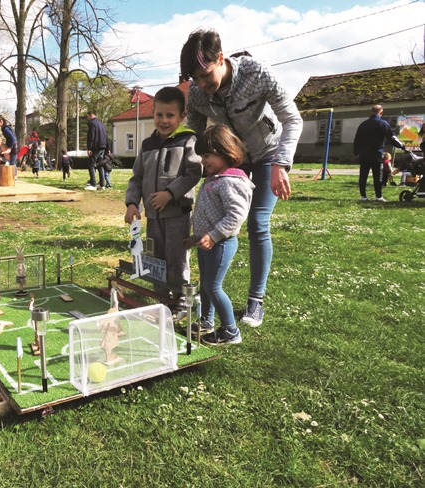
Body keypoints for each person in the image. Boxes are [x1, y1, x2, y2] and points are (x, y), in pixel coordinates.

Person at [180, 28, 303, 327]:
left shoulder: (257, 73)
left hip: (268, 155)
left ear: (221, 58)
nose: (202, 84)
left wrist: (281, 164)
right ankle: (208, 306)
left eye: (206, 76)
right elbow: (195, 135)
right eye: (195, 79)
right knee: (211, 223)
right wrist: (194, 167)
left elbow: (292, 119)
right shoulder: (197, 92)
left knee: (257, 223)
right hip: (232, 158)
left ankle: (255, 300)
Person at [124, 86, 203, 310]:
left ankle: (181, 299)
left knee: (176, 257)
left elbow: (193, 173)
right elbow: (137, 177)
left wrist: (170, 193)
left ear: (181, 117)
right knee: (155, 257)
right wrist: (132, 203)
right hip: (153, 216)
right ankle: (162, 298)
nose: (164, 120)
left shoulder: (188, 140)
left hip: (177, 214)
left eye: (170, 115)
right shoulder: (147, 145)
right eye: (159, 115)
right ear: (153, 114)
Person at [183, 125, 254, 345]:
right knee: (205, 284)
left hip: (221, 244)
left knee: (213, 287)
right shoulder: (215, 178)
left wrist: (214, 236)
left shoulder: (232, 181)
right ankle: (206, 321)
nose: (203, 161)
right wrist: (198, 237)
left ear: (226, 152)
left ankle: (231, 331)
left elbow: (236, 216)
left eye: (207, 156)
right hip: (208, 243)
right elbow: (208, 213)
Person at [353, 104, 406, 203]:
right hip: (376, 154)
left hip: (364, 154)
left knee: (363, 176)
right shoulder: (382, 123)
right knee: (378, 176)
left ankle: (363, 196)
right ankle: (378, 196)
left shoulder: (363, 124)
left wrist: (356, 152)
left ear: (371, 112)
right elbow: (391, 137)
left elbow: (357, 140)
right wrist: (402, 146)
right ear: (381, 112)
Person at [86, 110, 109, 190]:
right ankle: (102, 184)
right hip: (103, 146)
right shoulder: (102, 124)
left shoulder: (92, 124)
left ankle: (93, 184)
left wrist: (89, 148)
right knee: (100, 165)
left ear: (90, 115)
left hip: (95, 147)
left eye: (87, 116)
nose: (87, 118)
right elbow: (106, 136)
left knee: (91, 165)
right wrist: (107, 148)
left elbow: (91, 136)